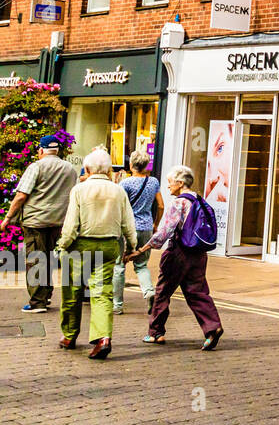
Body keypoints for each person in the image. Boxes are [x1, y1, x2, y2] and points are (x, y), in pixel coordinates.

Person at [126, 165, 224, 350]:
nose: (168, 186)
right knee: (197, 292)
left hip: (179, 253)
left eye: (170, 182)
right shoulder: (199, 200)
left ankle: (155, 333)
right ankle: (213, 328)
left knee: (163, 291)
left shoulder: (179, 203)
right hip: (199, 253)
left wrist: (141, 250)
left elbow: (165, 232)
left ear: (180, 183)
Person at [54, 148, 136, 359]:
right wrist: (132, 246)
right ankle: (103, 338)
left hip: (79, 246)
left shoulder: (79, 190)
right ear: (109, 169)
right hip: (109, 245)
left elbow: (71, 224)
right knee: (102, 294)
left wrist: (62, 244)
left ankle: (70, 335)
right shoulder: (118, 191)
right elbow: (128, 223)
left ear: (87, 169)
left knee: (72, 292)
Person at [0, 135, 78, 314]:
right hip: (59, 221)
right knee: (49, 258)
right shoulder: (70, 168)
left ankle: (37, 302)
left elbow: (21, 195)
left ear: (41, 150)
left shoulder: (36, 167)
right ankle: (46, 295)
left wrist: (8, 218)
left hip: (36, 221)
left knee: (35, 260)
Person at [113, 151, 162, 315]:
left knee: (119, 266)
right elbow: (161, 206)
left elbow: (118, 205)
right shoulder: (153, 182)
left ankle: (117, 305)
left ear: (131, 165)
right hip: (146, 227)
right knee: (141, 265)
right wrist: (156, 224)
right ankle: (149, 292)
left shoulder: (125, 184)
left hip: (127, 228)